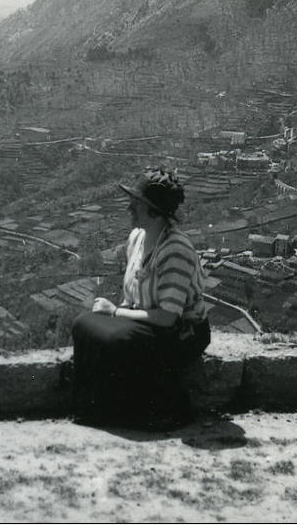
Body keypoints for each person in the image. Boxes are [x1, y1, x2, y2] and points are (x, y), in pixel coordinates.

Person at [71, 168, 210, 429]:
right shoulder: (137, 238)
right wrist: (116, 314)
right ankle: (90, 405)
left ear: (154, 211)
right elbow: (132, 296)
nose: (129, 208)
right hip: (149, 322)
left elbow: (168, 317)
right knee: (83, 323)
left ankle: (154, 409)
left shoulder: (175, 250)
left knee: (117, 338)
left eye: (136, 204)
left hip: (181, 333)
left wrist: (114, 314)